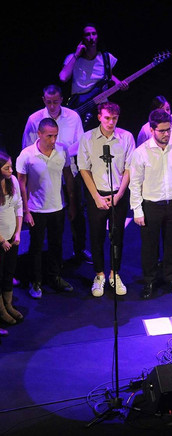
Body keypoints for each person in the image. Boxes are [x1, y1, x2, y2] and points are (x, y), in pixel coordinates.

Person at [22, 84, 90, 265]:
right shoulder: (34, 119)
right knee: (47, 215)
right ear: (44, 100)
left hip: (69, 169)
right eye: (48, 102)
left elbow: (80, 141)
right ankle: (43, 256)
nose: (52, 106)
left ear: (61, 99)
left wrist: (61, 152)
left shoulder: (73, 117)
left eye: (55, 101)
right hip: (43, 173)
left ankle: (80, 249)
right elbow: (27, 147)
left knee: (76, 209)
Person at [129, 109, 172, 299]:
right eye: (162, 131)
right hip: (151, 205)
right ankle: (149, 281)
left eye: (169, 130)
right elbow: (135, 183)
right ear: (151, 130)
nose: (166, 134)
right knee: (149, 246)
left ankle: (171, 279)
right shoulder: (141, 153)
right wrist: (137, 210)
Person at [77, 102, 135, 297]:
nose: (111, 122)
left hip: (118, 193)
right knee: (97, 235)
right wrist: (96, 197)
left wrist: (118, 195)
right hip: (97, 194)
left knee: (117, 236)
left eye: (114, 118)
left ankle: (115, 273)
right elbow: (83, 168)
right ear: (99, 117)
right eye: (107, 118)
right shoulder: (87, 138)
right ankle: (99, 274)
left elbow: (129, 167)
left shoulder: (126, 137)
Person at [16, 118, 76, 298]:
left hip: (57, 207)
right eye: (49, 135)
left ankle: (55, 277)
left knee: (56, 245)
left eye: (55, 135)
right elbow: (21, 183)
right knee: (36, 247)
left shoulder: (62, 149)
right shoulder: (27, 155)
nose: (53, 139)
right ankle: (36, 281)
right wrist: (26, 211)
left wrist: (72, 202)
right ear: (39, 134)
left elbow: (68, 175)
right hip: (36, 210)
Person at [59, 23, 128, 125]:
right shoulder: (72, 58)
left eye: (94, 34)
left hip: (101, 106)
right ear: (82, 38)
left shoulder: (106, 57)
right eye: (87, 35)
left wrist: (119, 83)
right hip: (80, 105)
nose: (91, 37)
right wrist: (77, 54)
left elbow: (108, 76)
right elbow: (63, 77)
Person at [0, 152, 23, 326]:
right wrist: (2, 240)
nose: (11, 170)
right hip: (1, 241)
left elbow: (18, 207)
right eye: (7, 167)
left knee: (9, 273)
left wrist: (18, 232)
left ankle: (8, 304)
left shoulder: (13, 181)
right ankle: (1, 310)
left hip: (12, 238)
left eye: (11, 166)